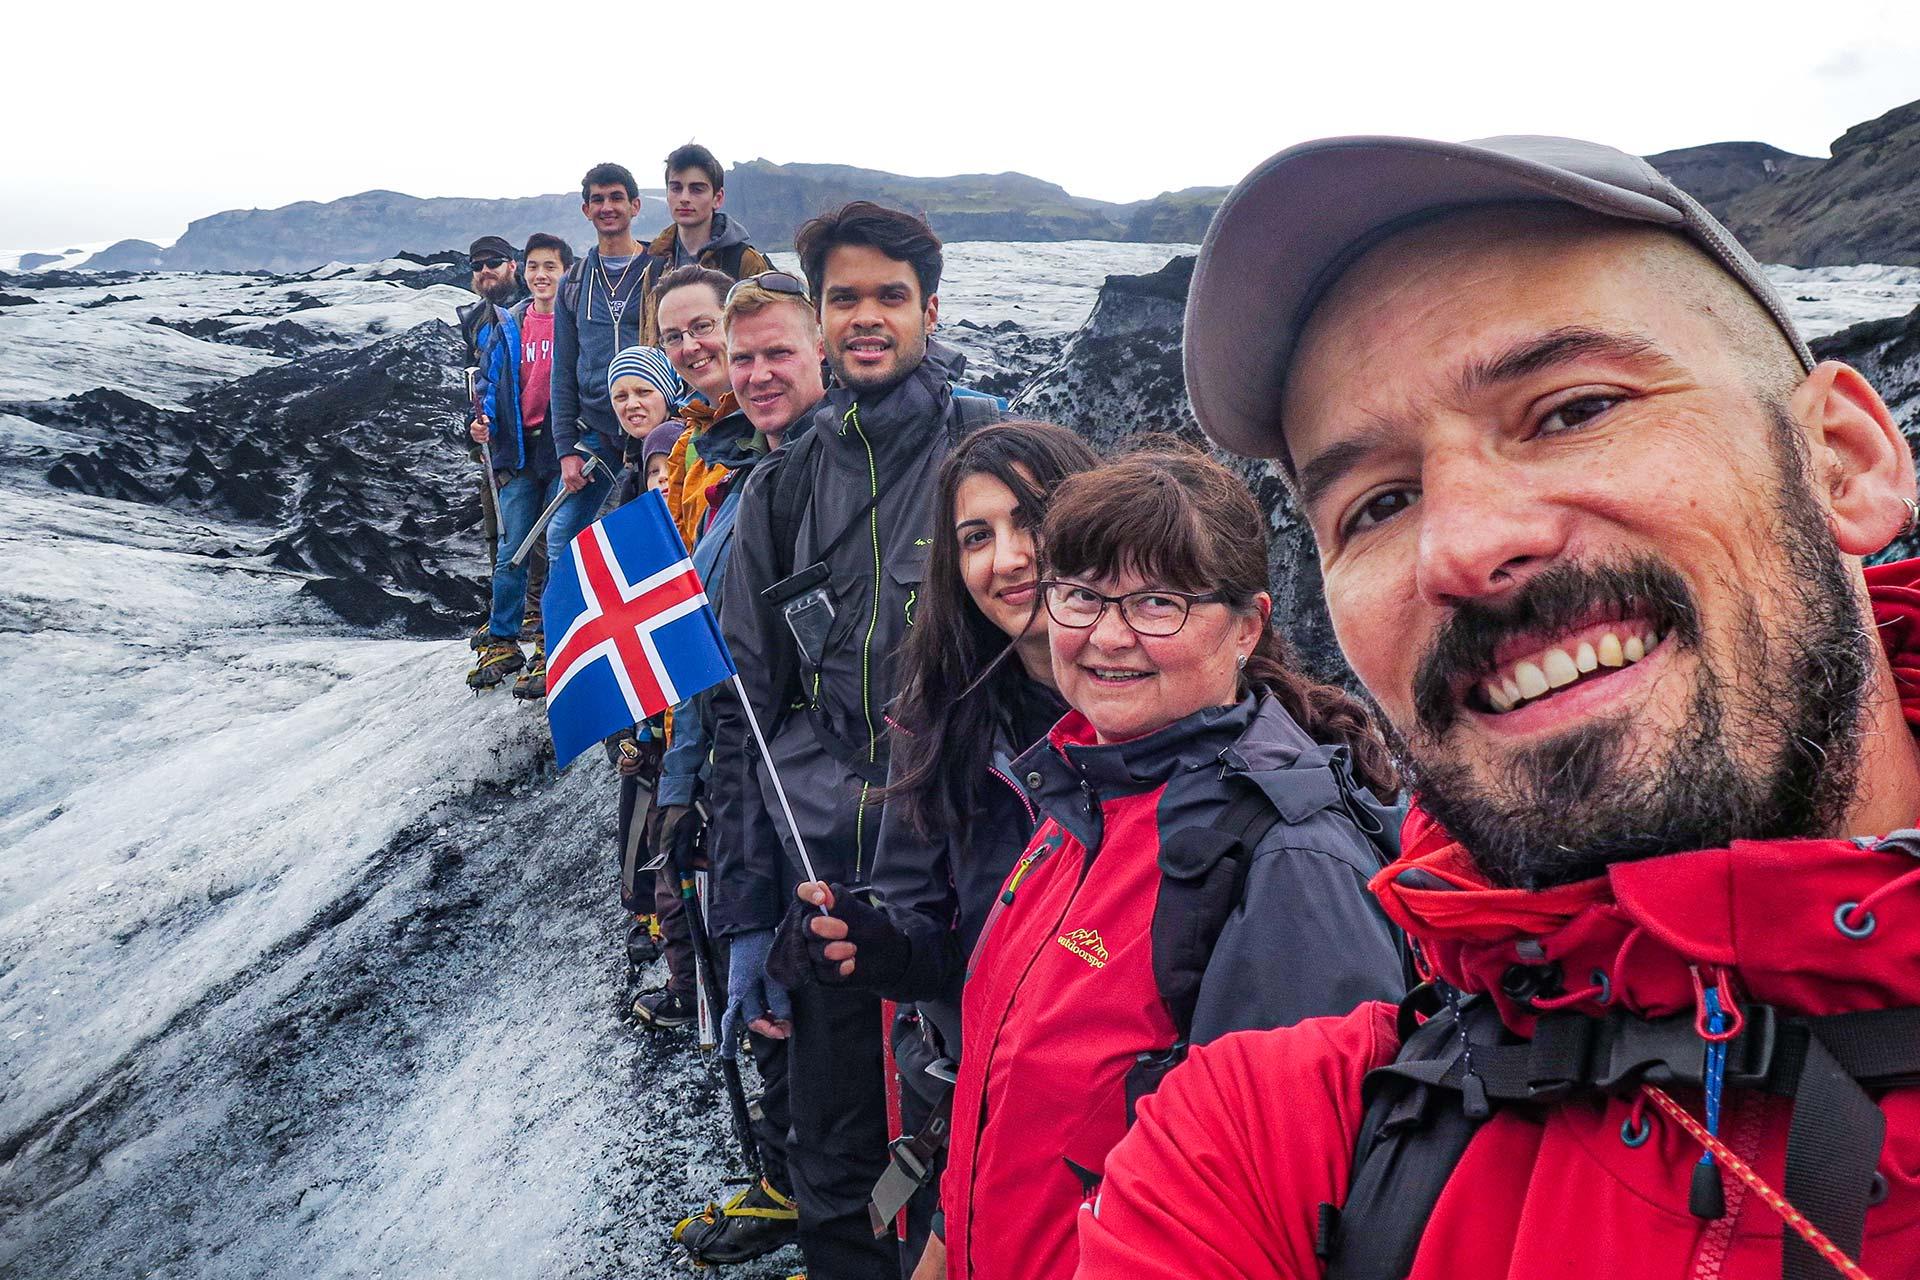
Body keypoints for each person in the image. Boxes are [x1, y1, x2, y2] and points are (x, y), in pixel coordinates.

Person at [1080, 134, 1920, 1279]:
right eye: (1378, 502)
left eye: (1572, 409)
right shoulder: (1264, 1146)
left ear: (1845, 460)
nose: (1463, 546)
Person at [794, 445, 1406, 1279]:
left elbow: (1299, 1214)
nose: (1109, 636)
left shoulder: (1287, 863)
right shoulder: (1080, 791)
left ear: (1249, 625)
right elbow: (1010, 1089)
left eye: (1158, 602)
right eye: (1082, 596)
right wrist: (945, 1240)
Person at [708, 202, 1000, 1279]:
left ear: (932, 307)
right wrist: (745, 916)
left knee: (981, 1156)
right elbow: (742, 710)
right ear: (819, 314)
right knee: (835, 1173)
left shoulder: (993, 458)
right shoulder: (779, 492)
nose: (866, 317)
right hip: (825, 886)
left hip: (974, 878)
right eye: (844, 298)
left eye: (890, 295)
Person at [775, 419, 1101, 1272]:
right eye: (977, 537)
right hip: (978, 1113)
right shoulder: (942, 721)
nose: (1010, 556)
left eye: (1035, 519)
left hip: (1124, 1139)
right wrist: (866, 944)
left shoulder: (1157, 711)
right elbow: (926, 931)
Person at [661, 273, 829, 1268]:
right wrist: (686, 788)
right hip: (744, 773)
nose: (748, 368)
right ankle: (786, 1177)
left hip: (805, 794)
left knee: (800, 991)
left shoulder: (811, 477)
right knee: (763, 977)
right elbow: (715, 667)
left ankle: (809, 1191)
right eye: (732, 348)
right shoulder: (734, 474)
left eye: (774, 352)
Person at [470, 231, 573, 699]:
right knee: (511, 549)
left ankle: (552, 646)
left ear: (566, 273)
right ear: (523, 271)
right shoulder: (508, 324)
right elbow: (490, 383)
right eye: (534, 267)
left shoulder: (576, 323)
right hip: (520, 450)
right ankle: (503, 639)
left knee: (554, 547)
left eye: (550, 266)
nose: (541, 275)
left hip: (562, 448)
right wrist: (483, 422)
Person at [547, 163, 652, 570]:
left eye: (616, 198)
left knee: (655, 534)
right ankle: (564, 632)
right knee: (562, 536)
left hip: (653, 429)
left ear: (635, 205)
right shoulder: (573, 284)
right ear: (585, 210)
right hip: (596, 433)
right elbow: (563, 369)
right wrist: (564, 450)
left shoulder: (658, 272)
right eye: (598, 200)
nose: (607, 207)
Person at [456, 234, 523, 658]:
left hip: (525, 445)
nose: (485, 271)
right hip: (492, 445)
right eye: (478, 265)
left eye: (494, 262)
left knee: (527, 534)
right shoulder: (477, 321)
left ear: (512, 265)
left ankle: (532, 620)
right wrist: (473, 425)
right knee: (497, 531)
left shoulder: (530, 310)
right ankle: (504, 614)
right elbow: (475, 383)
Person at [637, 144, 774, 346]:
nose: (684, 198)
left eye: (696, 189)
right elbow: (647, 342)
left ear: (717, 198)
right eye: (676, 188)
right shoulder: (656, 267)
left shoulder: (745, 262)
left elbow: (766, 336)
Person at [654, 265, 746, 546]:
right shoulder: (689, 444)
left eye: (702, 327)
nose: (690, 346)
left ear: (735, 321)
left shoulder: (778, 426)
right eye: (673, 337)